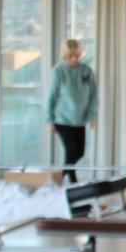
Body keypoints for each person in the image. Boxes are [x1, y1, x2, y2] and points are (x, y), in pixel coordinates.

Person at [45, 39, 97, 183]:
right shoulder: (58, 71)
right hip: (62, 119)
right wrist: (49, 120)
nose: (74, 59)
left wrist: (92, 116)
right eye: (70, 56)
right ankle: (69, 181)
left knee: (79, 153)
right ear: (64, 55)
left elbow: (93, 96)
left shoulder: (86, 72)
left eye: (76, 55)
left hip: (79, 120)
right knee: (71, 152)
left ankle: (62, 178)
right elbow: (51, 97)